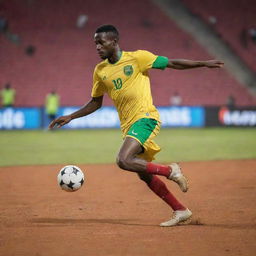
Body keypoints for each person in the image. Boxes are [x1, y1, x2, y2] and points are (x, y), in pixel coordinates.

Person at [49, 25, 224, 227]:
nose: (97, 47)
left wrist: (203, 63)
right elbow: (96, 102)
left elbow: (172, 63)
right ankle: (180, 210)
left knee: (123, 160)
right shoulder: (100, 71)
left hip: (146, 118)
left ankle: (171, 171)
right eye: (95, 43)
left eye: (101, 42)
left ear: (114, 42)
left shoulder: (138, 58)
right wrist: (71, 116)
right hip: (128, 126)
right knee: (144, 174)